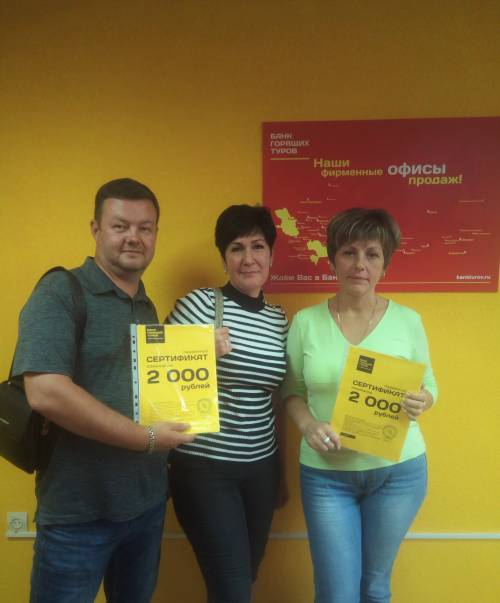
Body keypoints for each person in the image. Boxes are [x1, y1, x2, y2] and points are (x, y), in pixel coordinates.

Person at [12, 178, 195, 603]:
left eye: (145, 228)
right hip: (78, 513)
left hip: (146, 505)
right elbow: (45, 391)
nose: (134, 237)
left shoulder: (145, 305)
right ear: (95, 229)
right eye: (120, 226)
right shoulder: (60, 291)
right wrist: (146, 438)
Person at [282, 207, 438, 603]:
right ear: (333, 259)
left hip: (398, 473)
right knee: (337, 594)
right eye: (349, 252)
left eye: (372, 254)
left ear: (385, 263)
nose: (360, 264)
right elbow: (291, 390)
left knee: (374, 588)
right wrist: (308, 425)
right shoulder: (305, 322)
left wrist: (422, 400)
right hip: (327, 477)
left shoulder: (408, 321)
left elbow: (430, 386)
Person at [166, 204, 289, 603]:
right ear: (223, 258)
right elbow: (155, 376)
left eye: (257, 246)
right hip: (205, 469)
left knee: (245, 574)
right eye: (237, 248)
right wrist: (201, 351)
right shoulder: (200, 304)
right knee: (233, 585)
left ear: (271, 254)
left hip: (261, 469)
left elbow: (276, 397)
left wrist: (280, 471)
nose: (248, 258)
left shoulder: (278, 319)